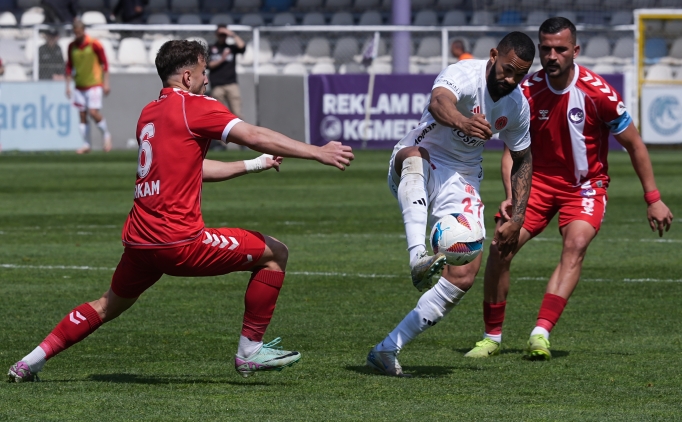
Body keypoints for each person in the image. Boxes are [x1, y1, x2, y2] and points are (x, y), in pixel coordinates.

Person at [7, 40, 354, 383]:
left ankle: (29, 362)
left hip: (140, 243)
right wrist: (316, 151)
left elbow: (192, 169)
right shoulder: (195, 106)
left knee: (106, 304)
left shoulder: (149, 113)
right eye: (203, 72)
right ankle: (250, 351)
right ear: (188, 77)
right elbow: (253, 133)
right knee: (275, 253)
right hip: (180, 242)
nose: (207, 79)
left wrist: (253, 165)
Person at [465, 17, 674, 361]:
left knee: (575, 245)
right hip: (535, 185)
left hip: (585, 187)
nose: (552, 56)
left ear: (574, 50)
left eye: (560, 49)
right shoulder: (526, 92)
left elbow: (635, 144)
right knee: (501, 247)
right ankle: (491, 337)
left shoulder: (599, 93)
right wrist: (511, 197)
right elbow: (509, 153)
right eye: (546, 49)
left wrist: (653, 198)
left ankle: (540, 333)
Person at [365, 32, 536, 377]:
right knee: (416, 156)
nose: (511, 80)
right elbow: (438, 102)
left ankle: (387, 349)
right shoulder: (465, 74)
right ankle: (417, 257)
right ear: (494, 55)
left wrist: (518, 215)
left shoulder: (517, 105)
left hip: (463, 175)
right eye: (507, 70)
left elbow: (522, 159)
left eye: (519, 75)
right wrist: (463, 122)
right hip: (419, 156)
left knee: (464, 274)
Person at [66, 19, 112, 154]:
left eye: (79, 32)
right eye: (75, 33)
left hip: (94, 84)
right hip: (79, 85)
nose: (77, 35)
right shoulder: (71, 46)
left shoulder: (94, 44)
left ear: (83, 31)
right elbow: (69, 66)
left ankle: (106, 135)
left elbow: (105, 63)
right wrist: (68, 86)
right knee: (82, 115)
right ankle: (86, 144)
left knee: (93, 112)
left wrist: (106, 83)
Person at [208, 25, 246, 118]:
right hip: (217, 85)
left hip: (231, 84)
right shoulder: (211, 48)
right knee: (218, 114)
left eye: (224, 34)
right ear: (216, 34)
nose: (222, 36)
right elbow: (209, 65)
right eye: (220, 34)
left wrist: (232, 34)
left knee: (237, 113)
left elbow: (242, 46)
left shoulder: (231, 48)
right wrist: (222, 58)